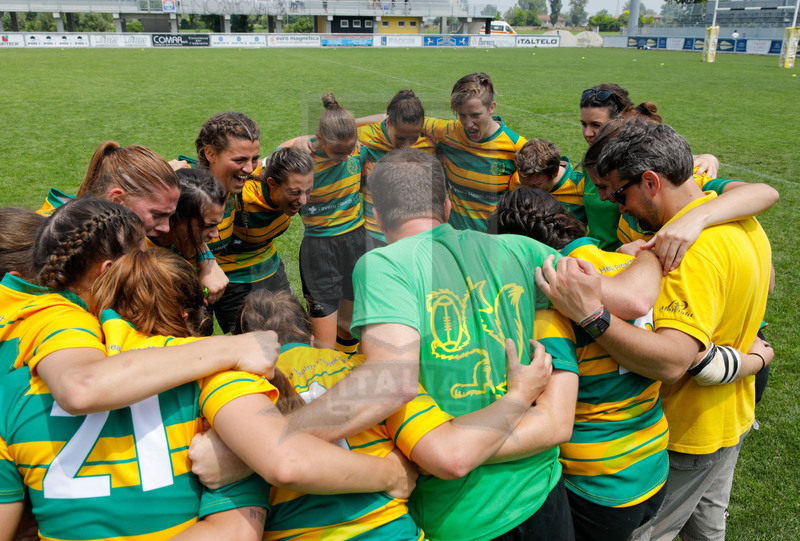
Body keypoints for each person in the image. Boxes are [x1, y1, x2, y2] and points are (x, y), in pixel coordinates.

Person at [271, 148, 580, 540]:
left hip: (463, 516)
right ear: (448, 207)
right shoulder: (517, 249)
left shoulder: (386, 265)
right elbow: (601, 283)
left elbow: (391, 382)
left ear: (378, 217)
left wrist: (277, 436)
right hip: (544, 493)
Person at [0, 249, 416, 540]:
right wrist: (391, 474)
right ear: (187, 314)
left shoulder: (23, 381)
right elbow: (281, 468)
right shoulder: (217, 375)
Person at [535, 118, 772, 541]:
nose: (615, 206)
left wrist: (592, 315)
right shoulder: (746, 223)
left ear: (650, 182)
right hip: (729, 416)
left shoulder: (687, 253)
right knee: (708, 530)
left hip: (686, 431)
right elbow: (767, 280)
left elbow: (672, 360)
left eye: (618, 193)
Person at [490, 188, 669, 541]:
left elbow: (550, 410)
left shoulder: (549, 304)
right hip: (653, 461)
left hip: (597, 482)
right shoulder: (626, 266)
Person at [1, 197, 279, 418]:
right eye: (140, 257)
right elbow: (80, 388)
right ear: (107, 270)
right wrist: (232, 348)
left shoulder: (19, 294)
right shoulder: (60, 318)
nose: (148, 264)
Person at [35, 141, 230, 305]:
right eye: (157, 214)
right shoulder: (51, 237)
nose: (166, 227)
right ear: (118, 200)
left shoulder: (116, 224)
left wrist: (207, 259)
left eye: (170, 216)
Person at [294, 94, 370, 352]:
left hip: (356, 240)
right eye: (338, 151)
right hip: (319, 247)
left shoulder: (358, 149)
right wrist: (298, 141)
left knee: (348, 326)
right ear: (320, 138)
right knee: (325, 341)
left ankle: (348, 372)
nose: (344, 157)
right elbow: (267, 164)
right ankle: (326, 379)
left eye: (349, 150)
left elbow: (387, 120)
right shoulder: (304, 158)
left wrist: (354, 125)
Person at [422, 72, 527, 232]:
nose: (468, 124)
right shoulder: (448, 131)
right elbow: (400, 118)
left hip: (493, 243)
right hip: (456, 239)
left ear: (491, 107)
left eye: (475, 115)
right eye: (462, 115)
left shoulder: (517, 147)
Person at [358, 89, 436, 246]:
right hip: (373, 234)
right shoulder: (366, 136)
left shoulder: (429, 144)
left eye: (413, 138)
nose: (407, 145)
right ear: (388, 123)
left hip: (412, 236)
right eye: (400, 137)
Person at [513, 138, 586, 223]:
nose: (529, 192)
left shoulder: (582, 186)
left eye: (535, 186)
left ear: (555, 172)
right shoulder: (517, 177)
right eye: (523, 184)